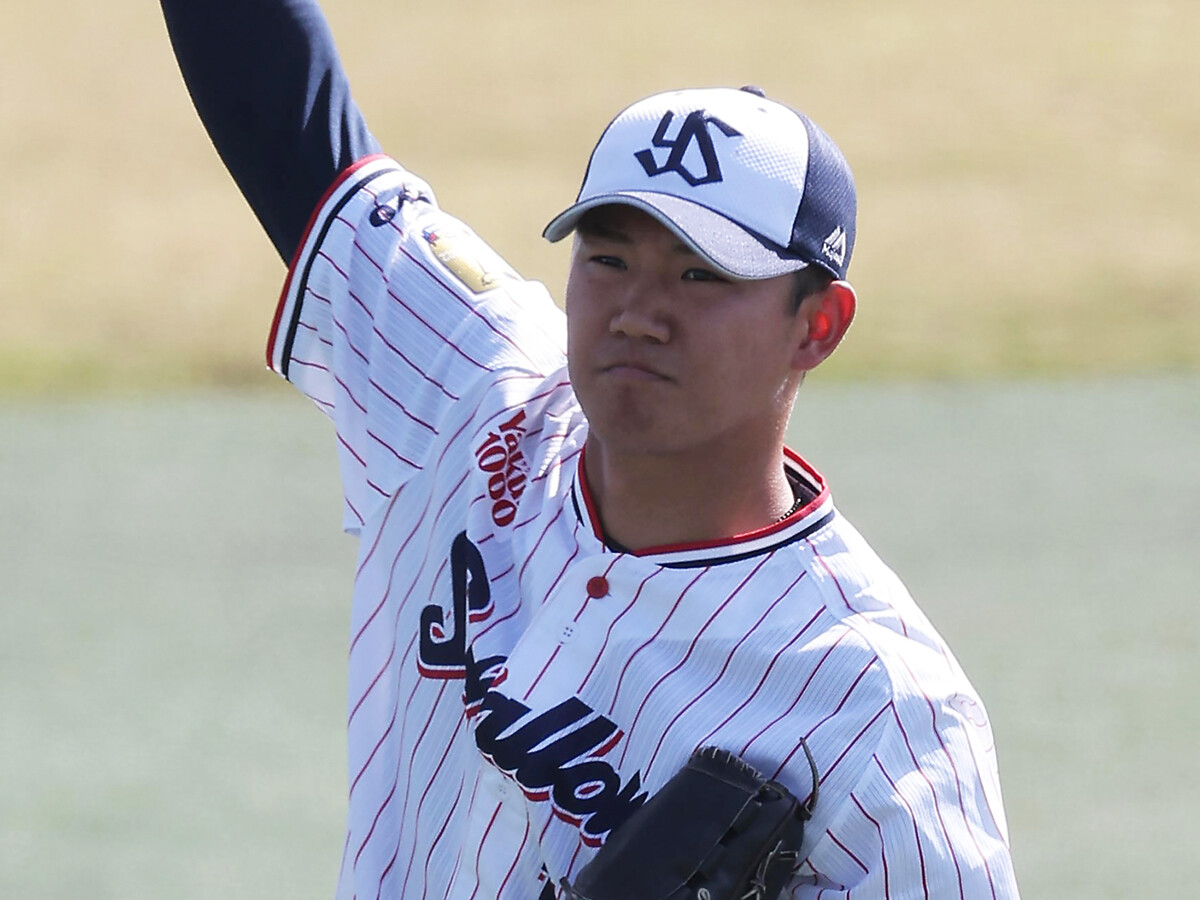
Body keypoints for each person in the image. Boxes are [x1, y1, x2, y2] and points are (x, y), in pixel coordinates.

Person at [160, 1, 1020, 897]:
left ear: (818, 325)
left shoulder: (882, 712)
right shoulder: (477, 391)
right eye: (608, 259)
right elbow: (293, 131)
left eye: (701, 275)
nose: (639, 314)